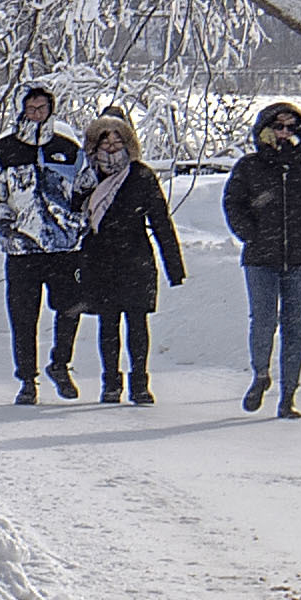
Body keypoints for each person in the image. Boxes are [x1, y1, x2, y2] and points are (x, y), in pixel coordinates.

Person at [0, 84, 92, 400]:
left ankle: (61, 365)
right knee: (24, 316)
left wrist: (79, 223)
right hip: (22, 250)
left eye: (42, 108)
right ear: (21, 109)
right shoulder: (0, 153)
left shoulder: (69, 150)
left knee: (70, 308)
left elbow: (86, 191)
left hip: (63, 249)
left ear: (51, 110)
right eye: (32, 108)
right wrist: (5, 225)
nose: (37, 113)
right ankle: (27, 379)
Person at [221, 98, 301, 414]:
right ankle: (261, 374)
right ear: (266, 130)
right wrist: (251, 233)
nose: (285, 133)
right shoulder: (250, 167)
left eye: (291, 127)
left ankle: (289, 395)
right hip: (261, 259)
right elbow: (233, 204)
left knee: (294, 326)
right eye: (278, 126)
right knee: (263, 321)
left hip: (300, 260)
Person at [73, 109, 185, 405]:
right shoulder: (88, 178)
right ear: (94, 146)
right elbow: (72, 217)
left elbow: (161, 220)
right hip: (100, 259)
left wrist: (174, 265)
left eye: (117, 141)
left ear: (129, 143)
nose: (111, 148)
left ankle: (139, 383)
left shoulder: (141, 175)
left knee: (137, 323)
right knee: (108, 324)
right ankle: (111, 383)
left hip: (136, 259)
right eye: (105, 142)